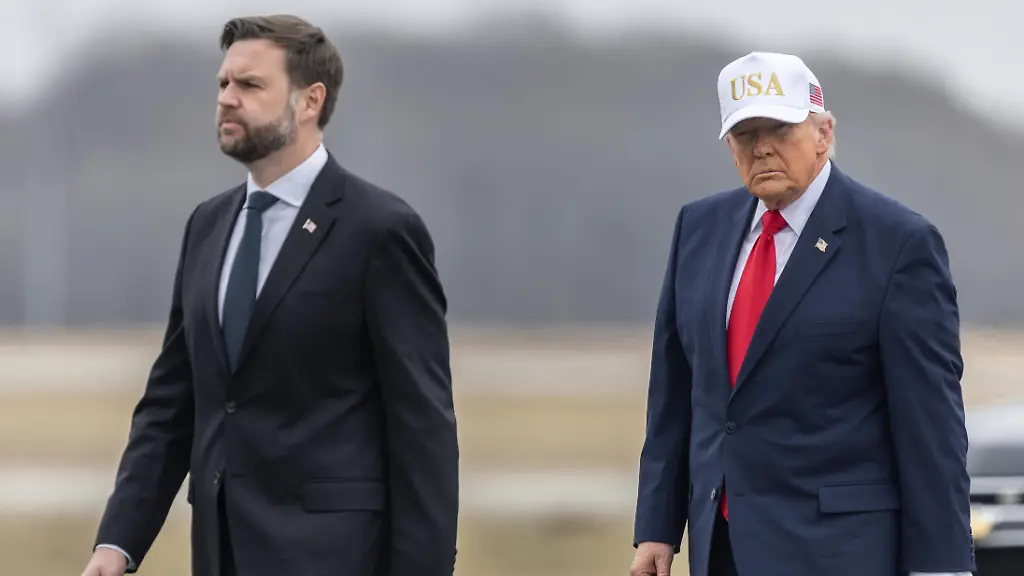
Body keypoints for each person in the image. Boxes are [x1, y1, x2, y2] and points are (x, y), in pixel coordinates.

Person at [80, 14, 459, 576]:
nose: (227, 99)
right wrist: (118, 544)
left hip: (337, 556)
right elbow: (172, 405)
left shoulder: (378, 230)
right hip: (221, 554)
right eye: (223, 84)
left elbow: (422, 427)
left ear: (310, 101)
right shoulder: (207, 227)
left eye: (250, 85)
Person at [629, 51, 974, 576]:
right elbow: (676, 394)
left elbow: (931, 429)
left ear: (823, 132)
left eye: (780, 128)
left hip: (840, 551)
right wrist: (658, 525)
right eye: (745, 134)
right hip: (719, 549)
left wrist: (941, 567)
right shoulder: (698, 229)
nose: (762, 147)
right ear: (728, 144)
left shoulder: (897, 244)